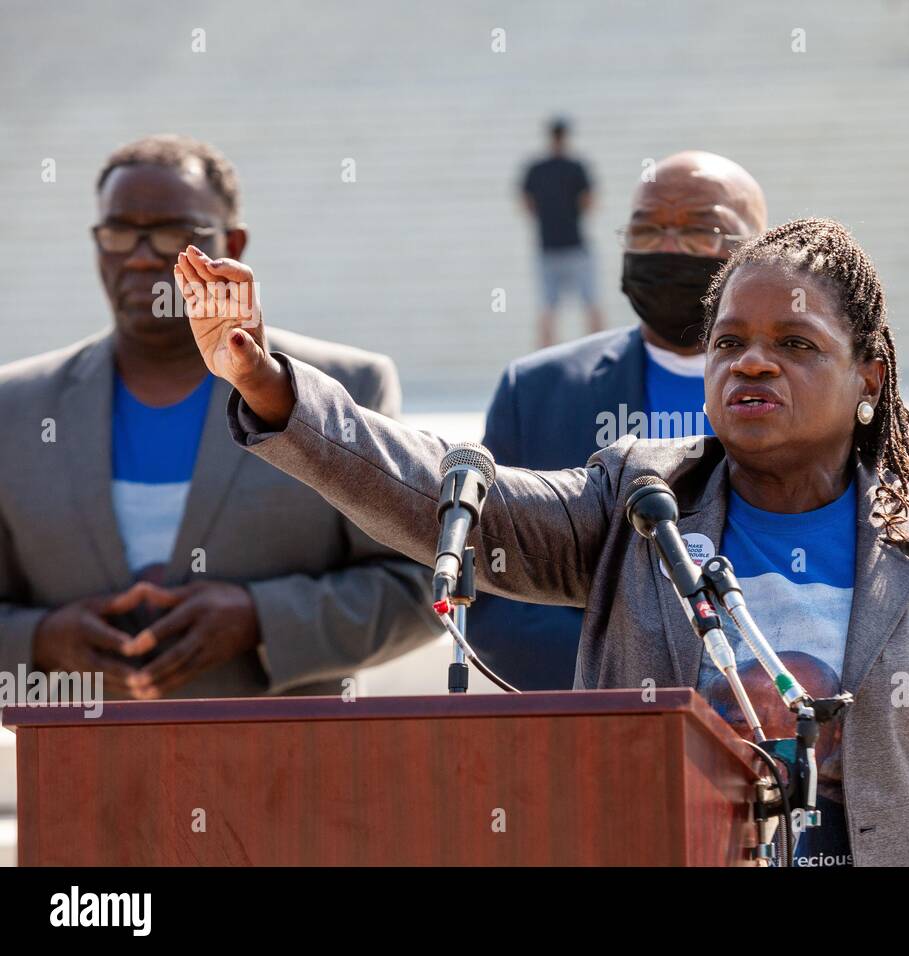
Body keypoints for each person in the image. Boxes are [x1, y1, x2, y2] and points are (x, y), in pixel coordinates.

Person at [174, 217, 909, 867]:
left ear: (871, 375)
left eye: (795, 343)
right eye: (729, 340)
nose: (751, 361)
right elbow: (453, 497)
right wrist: (270, 385)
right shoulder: (638, 500)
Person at [0, 134, 438, 699]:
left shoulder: (345, 388)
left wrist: (261, 618)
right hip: (84, 774)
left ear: (233, 241)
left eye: (172, 234)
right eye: (117, 232)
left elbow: (425, 585)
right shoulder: (15, 408)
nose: (139, 254)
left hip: (284, 772)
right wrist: (40, 640)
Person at [478, 150, 767, 689]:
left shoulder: (806, 394)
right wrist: (636, 683)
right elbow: (495, 590)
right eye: (647, 230)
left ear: (759, 250)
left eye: (701, 232)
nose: (667, 248)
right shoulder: (537, 392)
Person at [520, 117, 603, 348]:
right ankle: (601, 350)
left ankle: (545, 357)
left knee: (548, 308)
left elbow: (527, 203)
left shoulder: (536, 169)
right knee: (590, 303)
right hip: (575, 245)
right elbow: (588, 202)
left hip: (548, 246)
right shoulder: (576, 167)